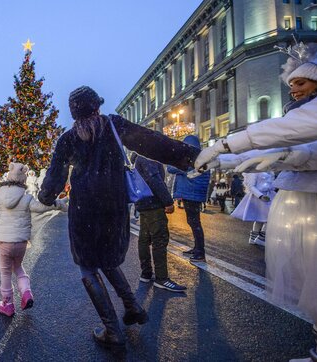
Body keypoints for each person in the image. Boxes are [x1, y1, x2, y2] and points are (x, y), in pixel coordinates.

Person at [38, 86, 200, 349]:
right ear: (97, 107)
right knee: (108, 260)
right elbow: (151, 141)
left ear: (74, 113)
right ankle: (132, 306)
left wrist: (45, 198)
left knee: (89, 266)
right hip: (114, 207)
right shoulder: (113, 126)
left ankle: (112, 330)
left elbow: (55, 177)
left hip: (84, 210)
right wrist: (188, 155)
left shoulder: (68, 139)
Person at [198, 41, 317, 362]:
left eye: (301, 83)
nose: (294, 89)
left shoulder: (308, 113)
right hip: (303, 203)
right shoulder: (300, 113)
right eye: (291, 83)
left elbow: (283, 133)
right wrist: (224, 161)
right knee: (312, 281)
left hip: (313, 204)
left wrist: (226, 144)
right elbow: (286, 145)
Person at [0, 162, 68, 317]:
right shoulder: (26, 198)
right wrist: (58, 204)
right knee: (18, 267)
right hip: (20, 242)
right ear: (24, 179)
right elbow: (42, 207)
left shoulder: (0, 195)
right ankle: (26, 293)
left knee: (5, 272)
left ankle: (7, 304)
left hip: (4, 243)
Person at [133, 154, 186, 292]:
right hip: (153, 204)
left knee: (144, 239)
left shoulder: (138, 157)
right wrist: (167, 201)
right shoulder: (147, 156)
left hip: (143, 202)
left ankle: (146, 273)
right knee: (159, 239)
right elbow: (154, 179)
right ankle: (162, 278)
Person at [166, 135, 210, 262]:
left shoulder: (191, 157)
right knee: (194, 222)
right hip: (194, 193)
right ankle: (197, 248)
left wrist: (174, 156)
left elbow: (171, 168)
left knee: (194, 223)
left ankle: (200, 252)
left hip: (191, 193)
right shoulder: (201, 157)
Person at [230, 172, 275, 246]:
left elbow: (272, 184)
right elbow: (251, 186)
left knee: (263, 218)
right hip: (258, 198)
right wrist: (260, 196)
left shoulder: (269, 170)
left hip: (269, 196)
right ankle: (260, 238)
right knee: (268, 217)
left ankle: (254, 238)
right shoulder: (254, 171)